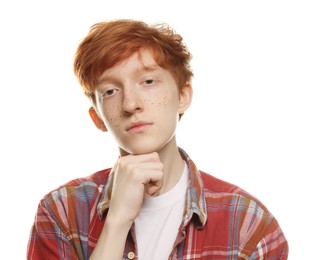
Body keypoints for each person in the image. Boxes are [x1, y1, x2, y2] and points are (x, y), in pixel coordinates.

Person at [27, 19, 288, 259]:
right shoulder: (61, 212)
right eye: (110, 91)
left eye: (148, 81)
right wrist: (117, 221)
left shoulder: (247, 222)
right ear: (97, 117)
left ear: (183, 96)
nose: (130, 104)